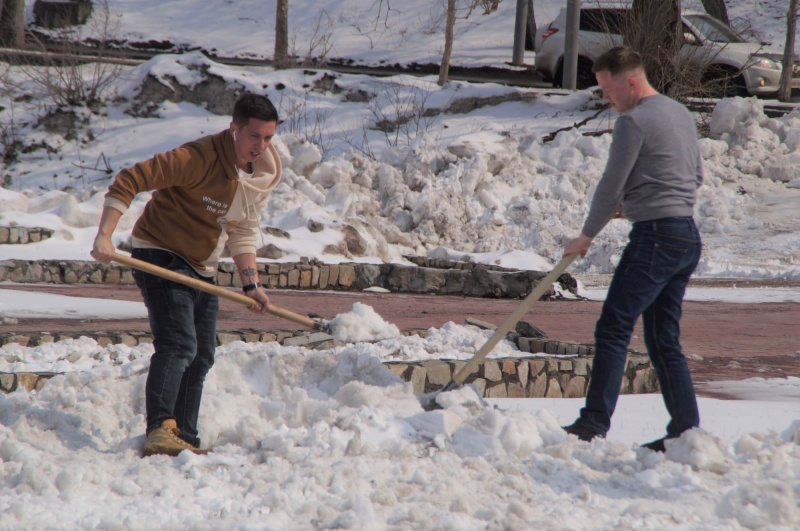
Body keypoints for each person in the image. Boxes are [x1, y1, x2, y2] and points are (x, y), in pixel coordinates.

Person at [91, 93, 282, 457]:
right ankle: (161, 428)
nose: (262, 146)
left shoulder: (263, 175)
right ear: (234, 129)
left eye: (269, 138)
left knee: (202, 355)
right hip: (160, 252)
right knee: (179, 344)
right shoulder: (198, 158)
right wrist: (104, 235)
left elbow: (242, 229)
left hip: (202, 265)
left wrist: (251, 283)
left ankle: (185, 436)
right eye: (255, 136)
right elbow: (129, 180)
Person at [561, 47, 704, 452]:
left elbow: (610, 184)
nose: (606, 98)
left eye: (608, 90)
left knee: (614, 327)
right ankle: (685, 433)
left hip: (656, 239)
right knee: (662, 339)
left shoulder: (633, 122)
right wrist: (641, 200)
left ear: (631, 82)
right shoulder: (679, 113)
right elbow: (693, 176)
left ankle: (592, 424)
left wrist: (586, 235)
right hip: (685, 236)